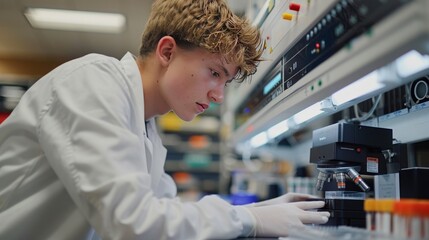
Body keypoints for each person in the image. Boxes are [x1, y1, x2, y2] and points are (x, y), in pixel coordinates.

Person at [0, 0, 329, 239]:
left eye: (224, 82)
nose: (218, 96)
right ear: (167, 51)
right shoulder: (93, 83)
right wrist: (248, 220)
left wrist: (262, 211)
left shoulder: (145, 123)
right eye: (214, 73)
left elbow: (164, 209)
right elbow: (133, 223)